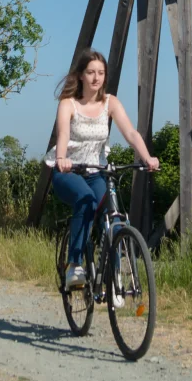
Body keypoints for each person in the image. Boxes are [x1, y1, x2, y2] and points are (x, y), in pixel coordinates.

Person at [45, 48, 159, 290]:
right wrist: (62, 158)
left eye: (101, 73)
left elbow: (130, 133)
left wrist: (147, 157)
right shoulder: (68, 104)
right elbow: (63, 133)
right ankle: (74, 265)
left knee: (111, 211)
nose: (96, 78)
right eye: (90, 72)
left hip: (97, 170)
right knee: (85, 200)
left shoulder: (110, 102)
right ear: (81, 76)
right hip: (69, 171)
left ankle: (114, 272)